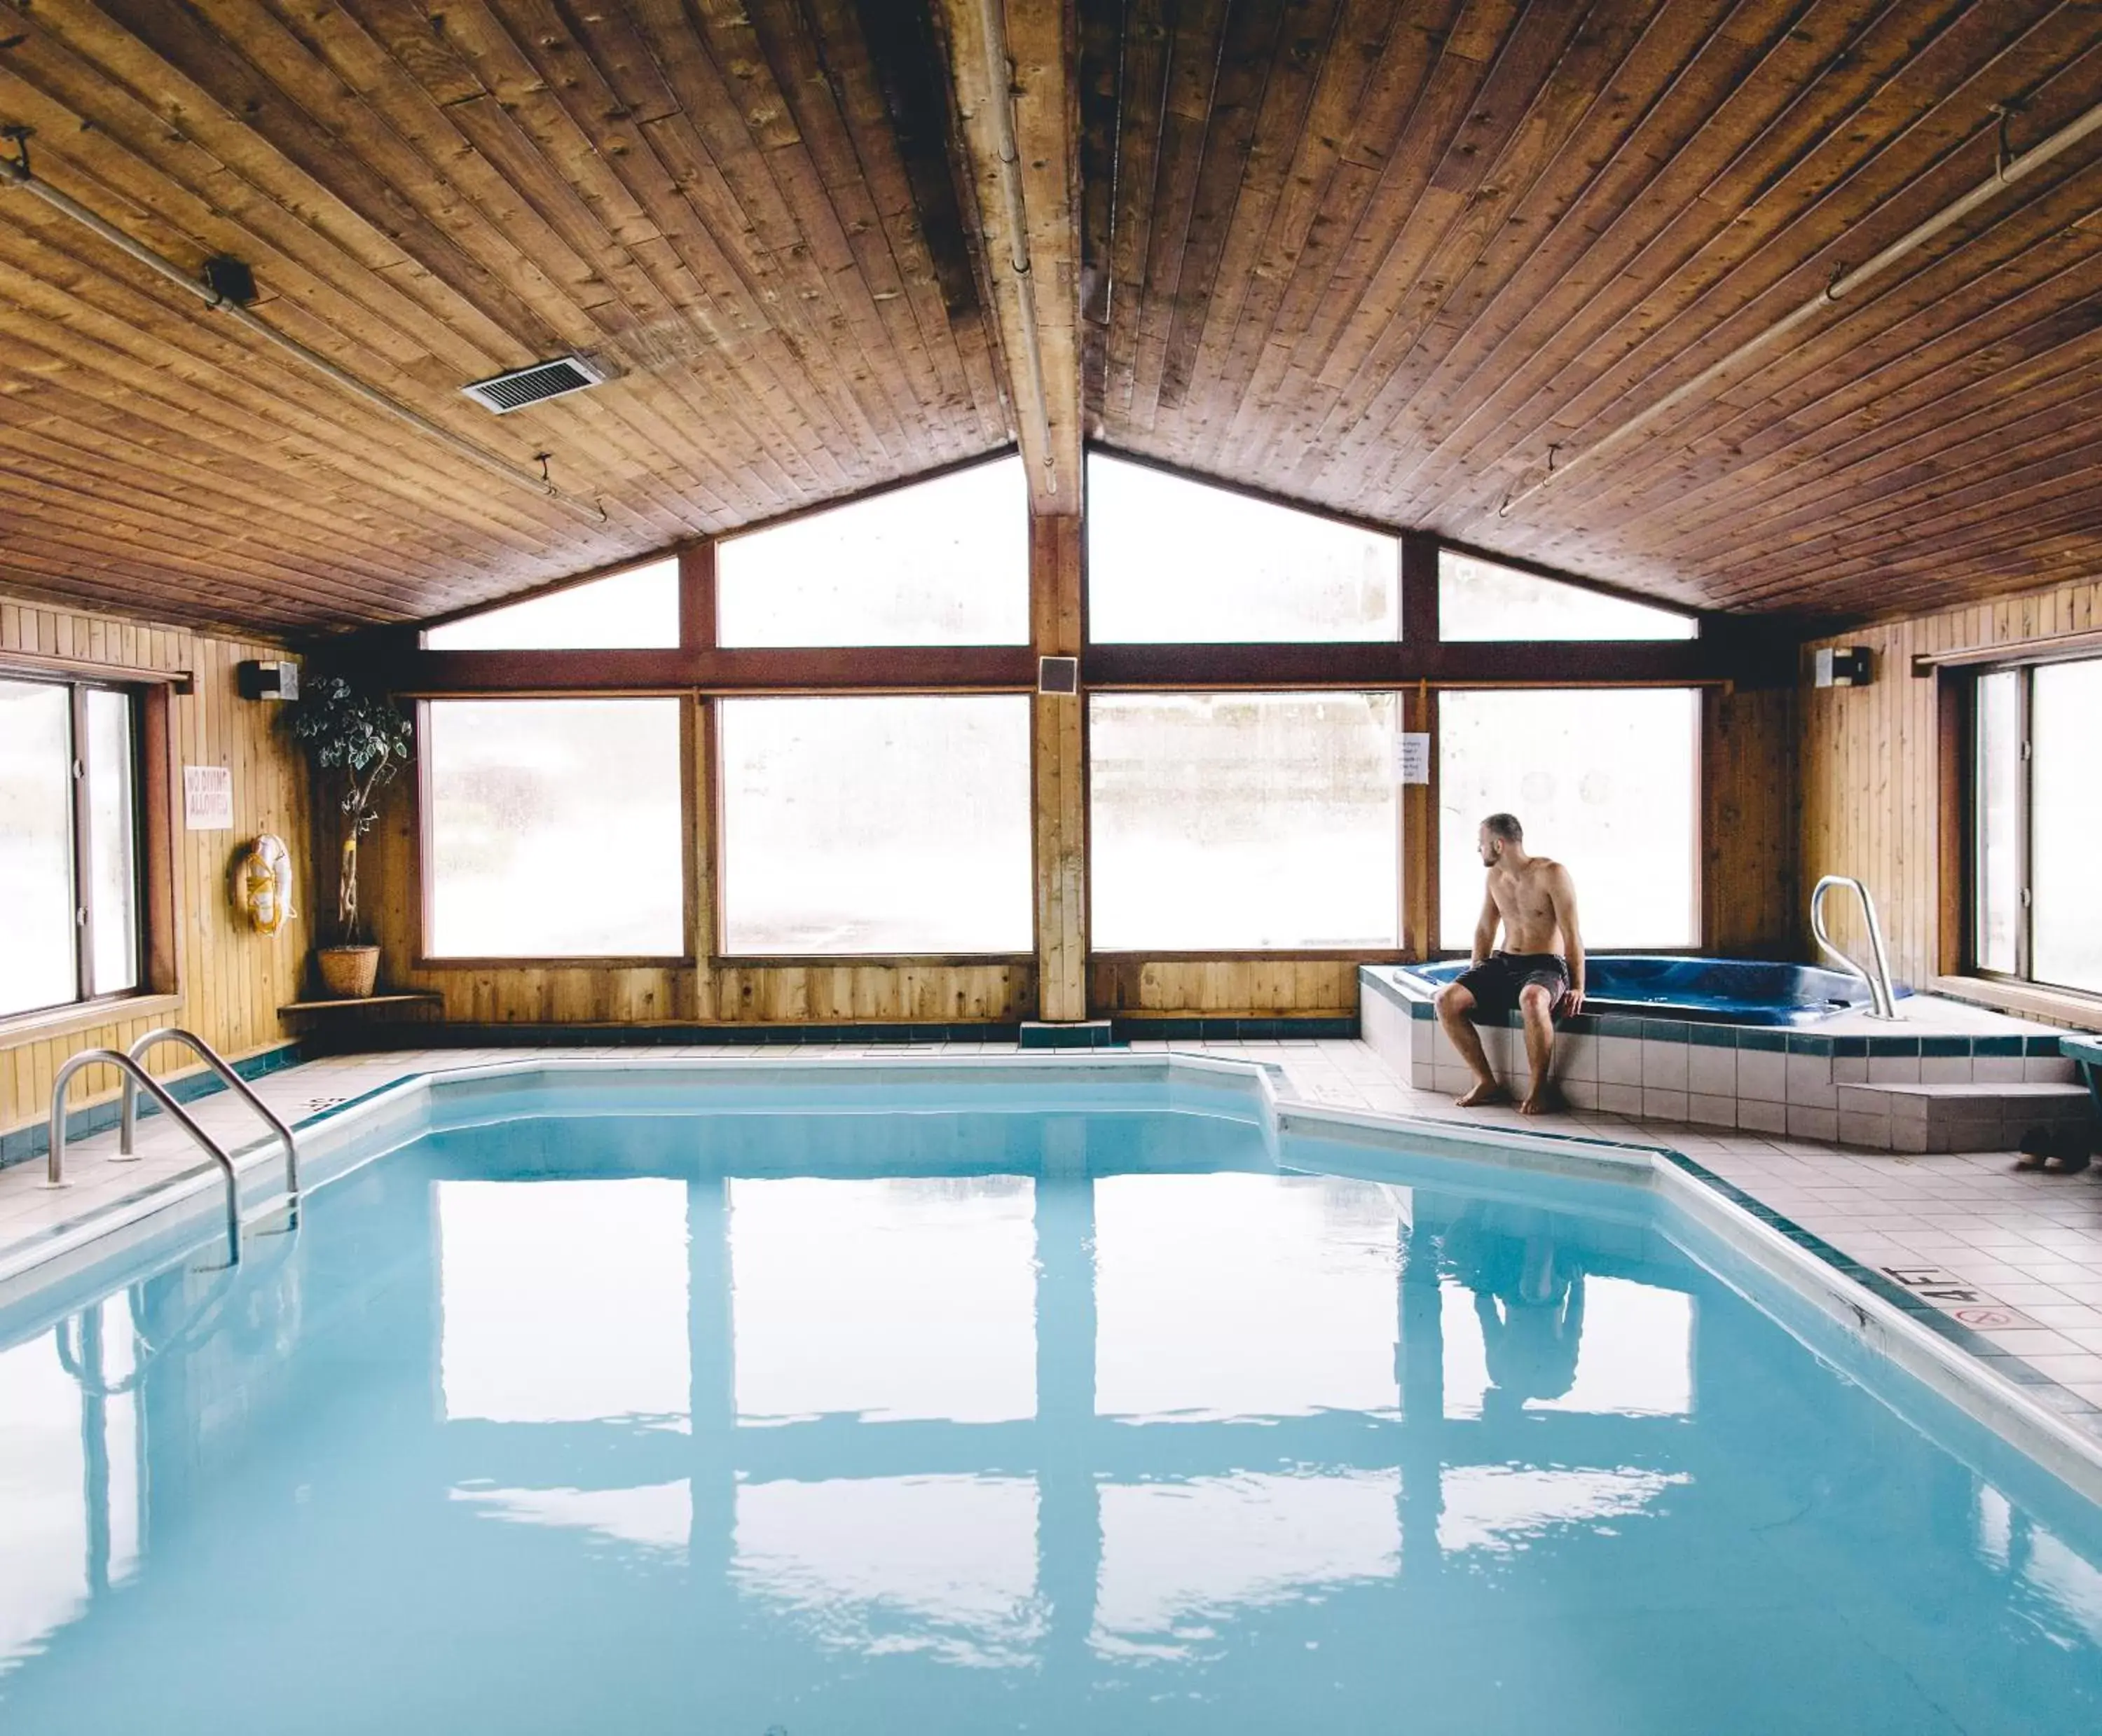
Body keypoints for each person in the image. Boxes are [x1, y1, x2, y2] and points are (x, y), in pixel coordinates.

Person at [1434, 813, 1585, 1115]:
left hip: (1546, 964)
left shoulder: (1552, 873)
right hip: (1505, 962)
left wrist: (1578, 987)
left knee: (1531, 1000)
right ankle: (1486, 1081)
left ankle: (1538, 1088)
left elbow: (1572, 934)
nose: (1479, 849)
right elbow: (1485, 929)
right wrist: (1476, 974)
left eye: (1482, 843)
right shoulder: (1495, 878)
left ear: (1499, 845)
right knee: (1445, 1000)